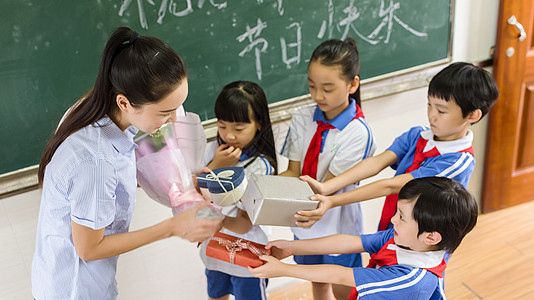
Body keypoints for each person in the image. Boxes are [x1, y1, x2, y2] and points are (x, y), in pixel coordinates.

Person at [31, 27, 222, 300]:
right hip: (75, 291)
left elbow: (124, 166)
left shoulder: (93, 108)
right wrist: (173, 227)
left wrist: (182, 181)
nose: (173, 121)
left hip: (68, 277)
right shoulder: (94, 162)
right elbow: (89, 249)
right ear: (125, 102)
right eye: (166, 113)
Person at [299, 62, 498, 231]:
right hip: (392, 226)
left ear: (472, 115)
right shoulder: (417, 135)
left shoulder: (457, 161)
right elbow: (376, 162)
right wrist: (326, 187)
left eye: (441, 110)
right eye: (429, 105)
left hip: (420, 243)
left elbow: (390, 185)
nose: (432, 115)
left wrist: (332, 201)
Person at [249, 177, 478, 299]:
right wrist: (291, 247)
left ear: (431, 237)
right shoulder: (406, 239)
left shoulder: (413, 280)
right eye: (397, 213)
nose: (393, 220)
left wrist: (283, 270)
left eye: (402, 217)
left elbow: (339, 274)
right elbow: (351, 241)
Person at [279, 37, 376, 299]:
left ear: (352, 84)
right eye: (312, 86)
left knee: (344, 285)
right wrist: (263, 188)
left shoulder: (358, 132)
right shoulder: (302, 117)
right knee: (317, 279)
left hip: (338, 225)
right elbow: (293, 172)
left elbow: (329, 189)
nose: (318, 95)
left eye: (328, 88)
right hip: (305, 221)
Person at [199, 81, 278, 300]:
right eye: (222, 126)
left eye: (239, 128)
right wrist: (216, 164)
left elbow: (244, 224)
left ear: (259, 123)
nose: (229, 135)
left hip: (247, 252)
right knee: (216, 294)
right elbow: (195, 188)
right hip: (215, 248)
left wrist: (211, 218)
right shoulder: (214, 151)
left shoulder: (260, 166)